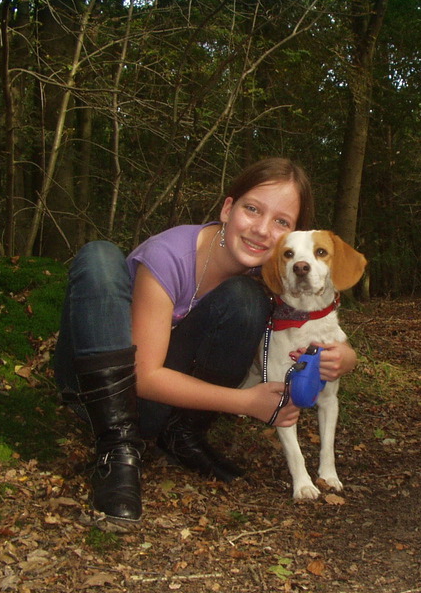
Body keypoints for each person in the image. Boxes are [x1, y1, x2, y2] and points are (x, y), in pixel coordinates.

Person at [53, 158, 357, 522]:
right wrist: (244, 401)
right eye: (251, 209)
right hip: (102, 395)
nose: (262, 229)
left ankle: (183, 435)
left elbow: (307, 321)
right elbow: (144, 376)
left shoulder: (271, 273)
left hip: (157, 408)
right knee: (99, 255)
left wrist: (346, 356)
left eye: (281, 222)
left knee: (245, 298)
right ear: (228, 208)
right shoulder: (169, 255)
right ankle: (116, 451)